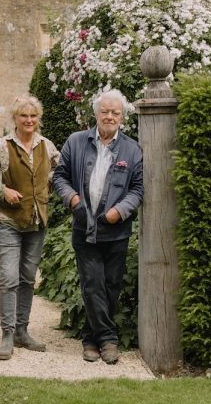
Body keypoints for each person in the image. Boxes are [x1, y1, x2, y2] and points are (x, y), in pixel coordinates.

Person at [52, 89, 143, 365]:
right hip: (85, 227)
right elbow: (60, 177)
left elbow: (138, 189)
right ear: (96, 113)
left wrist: (120, 210)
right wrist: (74, 200)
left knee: (111, 286)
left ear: (123, 117)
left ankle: (91, 339)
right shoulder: (76, 141)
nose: (110, 116)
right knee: (92, 284)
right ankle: (109, 340)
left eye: (116, 112)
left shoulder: (132, 148)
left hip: (116, 230)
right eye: (105, 111)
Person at [0, 94, 59, 360]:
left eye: (33, 116)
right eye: (24, 116)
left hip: (36, 222)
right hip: (9, 222)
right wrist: (2, 190)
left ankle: (22, 331)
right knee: (9, 278)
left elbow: (60, 172)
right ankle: (7, 334)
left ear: (38, 119)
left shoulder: (47, 146)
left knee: (27, 279)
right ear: (15, 119)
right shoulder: (2, 146)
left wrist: (51, 188)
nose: (29, 120)